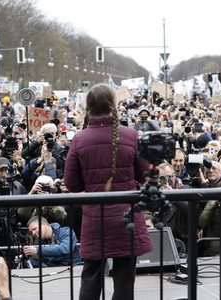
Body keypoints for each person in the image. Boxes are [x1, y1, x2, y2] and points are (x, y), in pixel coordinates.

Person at [64, 84, 153, 300]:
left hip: (96, 218)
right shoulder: (131, 135)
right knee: (124, 281)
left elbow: (72, 184)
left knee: (91, 277)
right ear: (113, 105)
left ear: (88, 107)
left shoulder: (79, 139)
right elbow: (145, 176)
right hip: (126, 217)